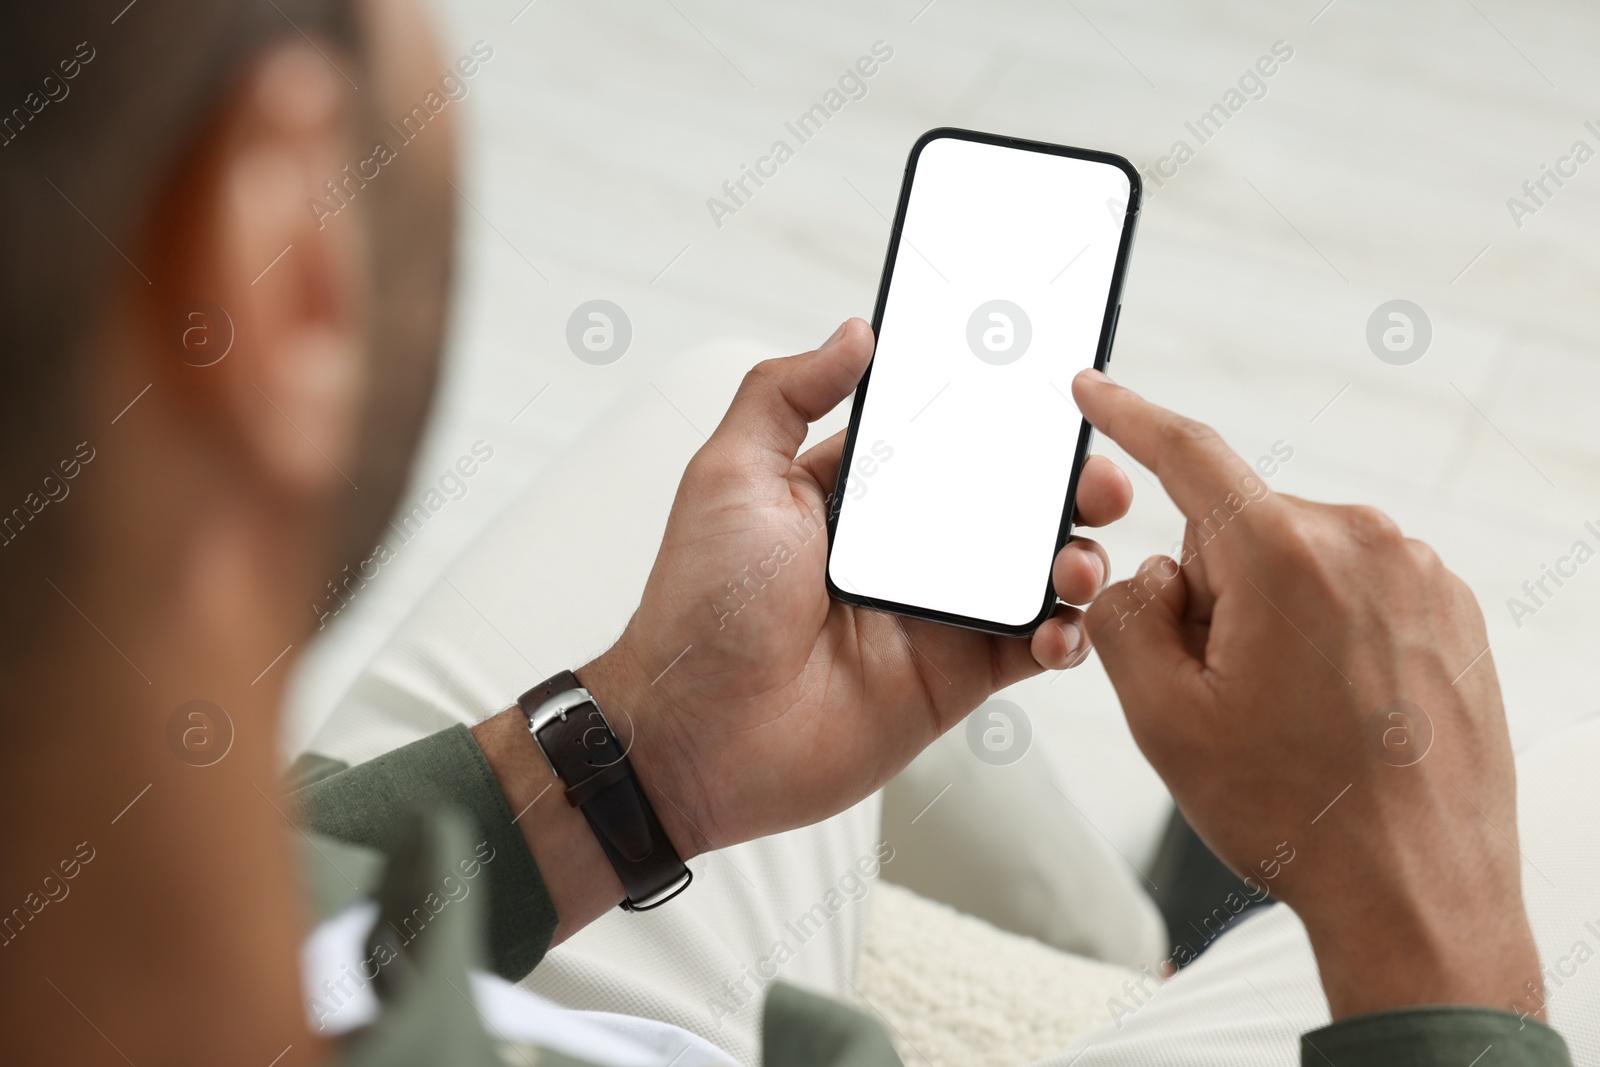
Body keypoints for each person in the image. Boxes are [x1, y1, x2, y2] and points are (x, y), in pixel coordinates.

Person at [0, 2, 1571, 1065]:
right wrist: (1440, 953)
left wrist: (621, 769)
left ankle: (1133, 943)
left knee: (730, 425)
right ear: (282, 277)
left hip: (397, 921)